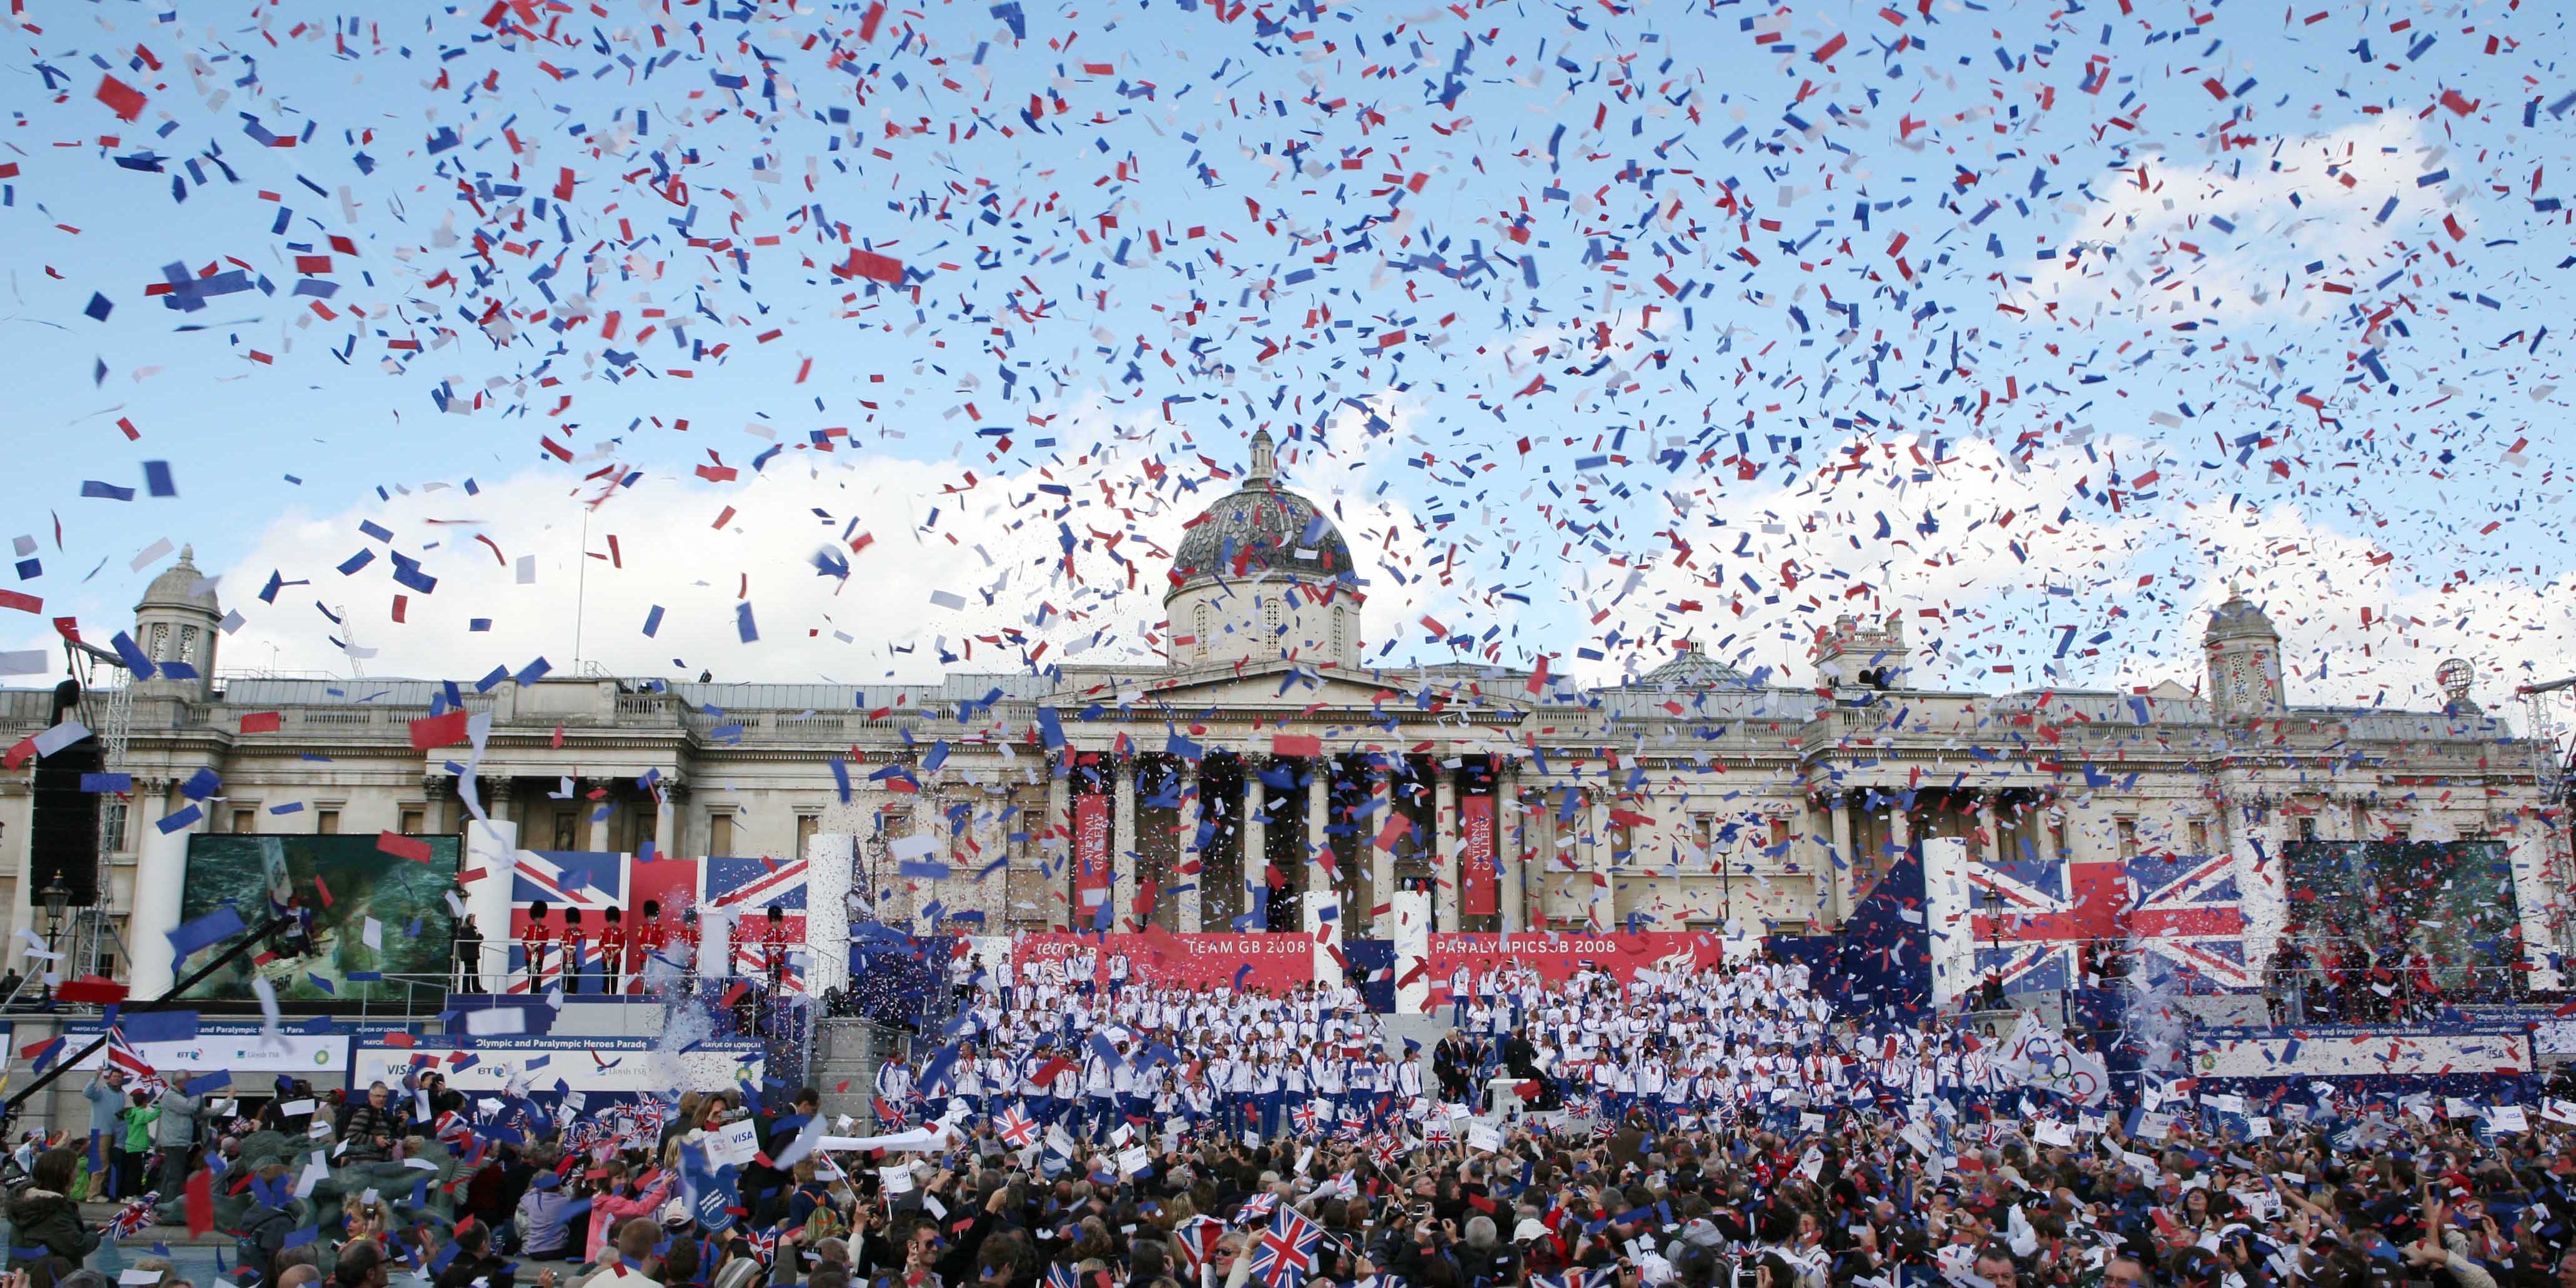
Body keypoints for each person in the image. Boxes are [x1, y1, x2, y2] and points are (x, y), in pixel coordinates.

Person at [7, 1148, 100, 1269]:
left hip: (21, 1274)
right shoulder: (53, 1208)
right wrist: (95, 1235)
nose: (77, 1174)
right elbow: (77, 1246)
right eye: (75, 1169)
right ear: (65, 1173)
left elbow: (48, 1232)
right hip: (49, 1277)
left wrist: (89, 1228)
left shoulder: (26, 1202)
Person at [154, 1071, 201, 1204]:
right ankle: (168, 1206)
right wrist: (196, 1092)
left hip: (178, 1140)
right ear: (181, 1082)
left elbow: (198, 1110)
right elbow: (191, 1108)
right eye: (189, 1082)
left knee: (171, 1176)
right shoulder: (171, 1096)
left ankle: (163, 1205)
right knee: (174, 1177)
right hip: (175, 1141)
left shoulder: (178, 1096)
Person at [81, 1066, 127, 1201]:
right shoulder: (102, 1092)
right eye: (114, 1076)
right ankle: (93, 1195)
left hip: (114, 1134)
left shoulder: (121, 1095)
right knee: (100, 1164)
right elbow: (87, 1093)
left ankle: (100, 1192)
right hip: (100, 1132)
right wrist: (96, 1076)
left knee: (106, 1165)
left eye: (119, 1077)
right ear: (109, 1078)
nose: (117, 1079)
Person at [523, 903, 555, 991]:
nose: (539, 919)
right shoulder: (528, 928)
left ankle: (537, 992)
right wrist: (529, 948)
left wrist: (536, 948)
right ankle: (530, 991)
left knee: (537, 974)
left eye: (540, 918)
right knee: (530, 973)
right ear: (534, 917)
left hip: (539, 955)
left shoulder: (545, 929)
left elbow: (544, 941)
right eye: (537, 917)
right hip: (529, 955)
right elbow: (524, 940)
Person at [455, 914, 485, 994]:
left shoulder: (474, 928)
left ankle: (476, 989)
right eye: (472, 919)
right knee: (468, 971)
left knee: (475, 971)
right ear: (468, 919)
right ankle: (466, 990)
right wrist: (479, 937)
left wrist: (479, 937)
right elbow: (474, 939)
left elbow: (479, 937)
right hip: (468, 954)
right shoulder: (464, 929)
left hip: (473, 953)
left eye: (474, 919)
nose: (473, 920)